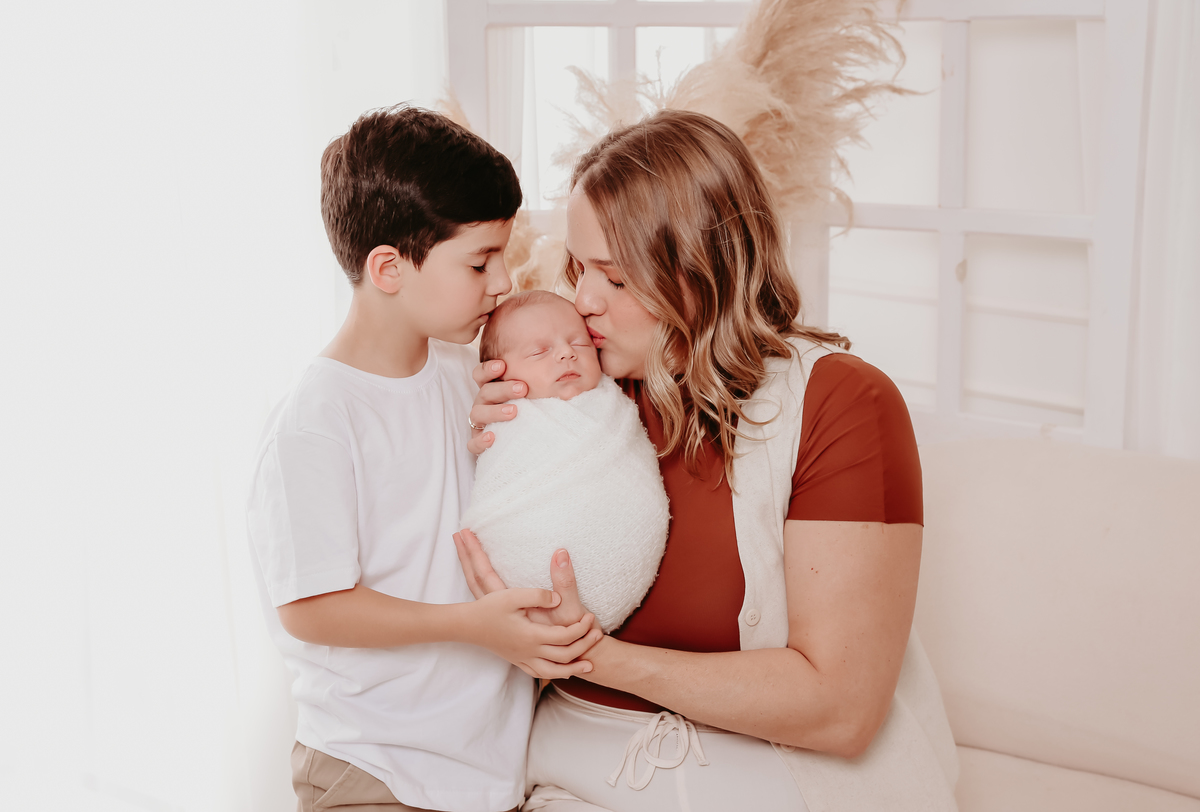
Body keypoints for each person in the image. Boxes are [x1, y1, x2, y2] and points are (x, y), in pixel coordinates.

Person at [456, 109, 960, 811]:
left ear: (701, 271)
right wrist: (492, 442)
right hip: (565, 781)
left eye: (616, 277)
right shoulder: (574, 399)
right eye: (578, 267)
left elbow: (841, 709)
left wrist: (586, 655)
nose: (583, 301)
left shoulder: (842, 404)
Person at [245, 106, 600, 812]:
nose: (502, 281)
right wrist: (473, 626)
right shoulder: (317, 421)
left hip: (483, 765)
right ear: (388, 267)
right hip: (374, 768)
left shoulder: (462, 377)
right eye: (479, 261)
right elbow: (312, 609)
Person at [460, 291, 669, 633]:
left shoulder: (615, 398)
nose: (567, 352)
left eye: (580, 343)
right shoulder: (507, 418)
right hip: (528, 568)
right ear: (500, 376)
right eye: (540, 351)